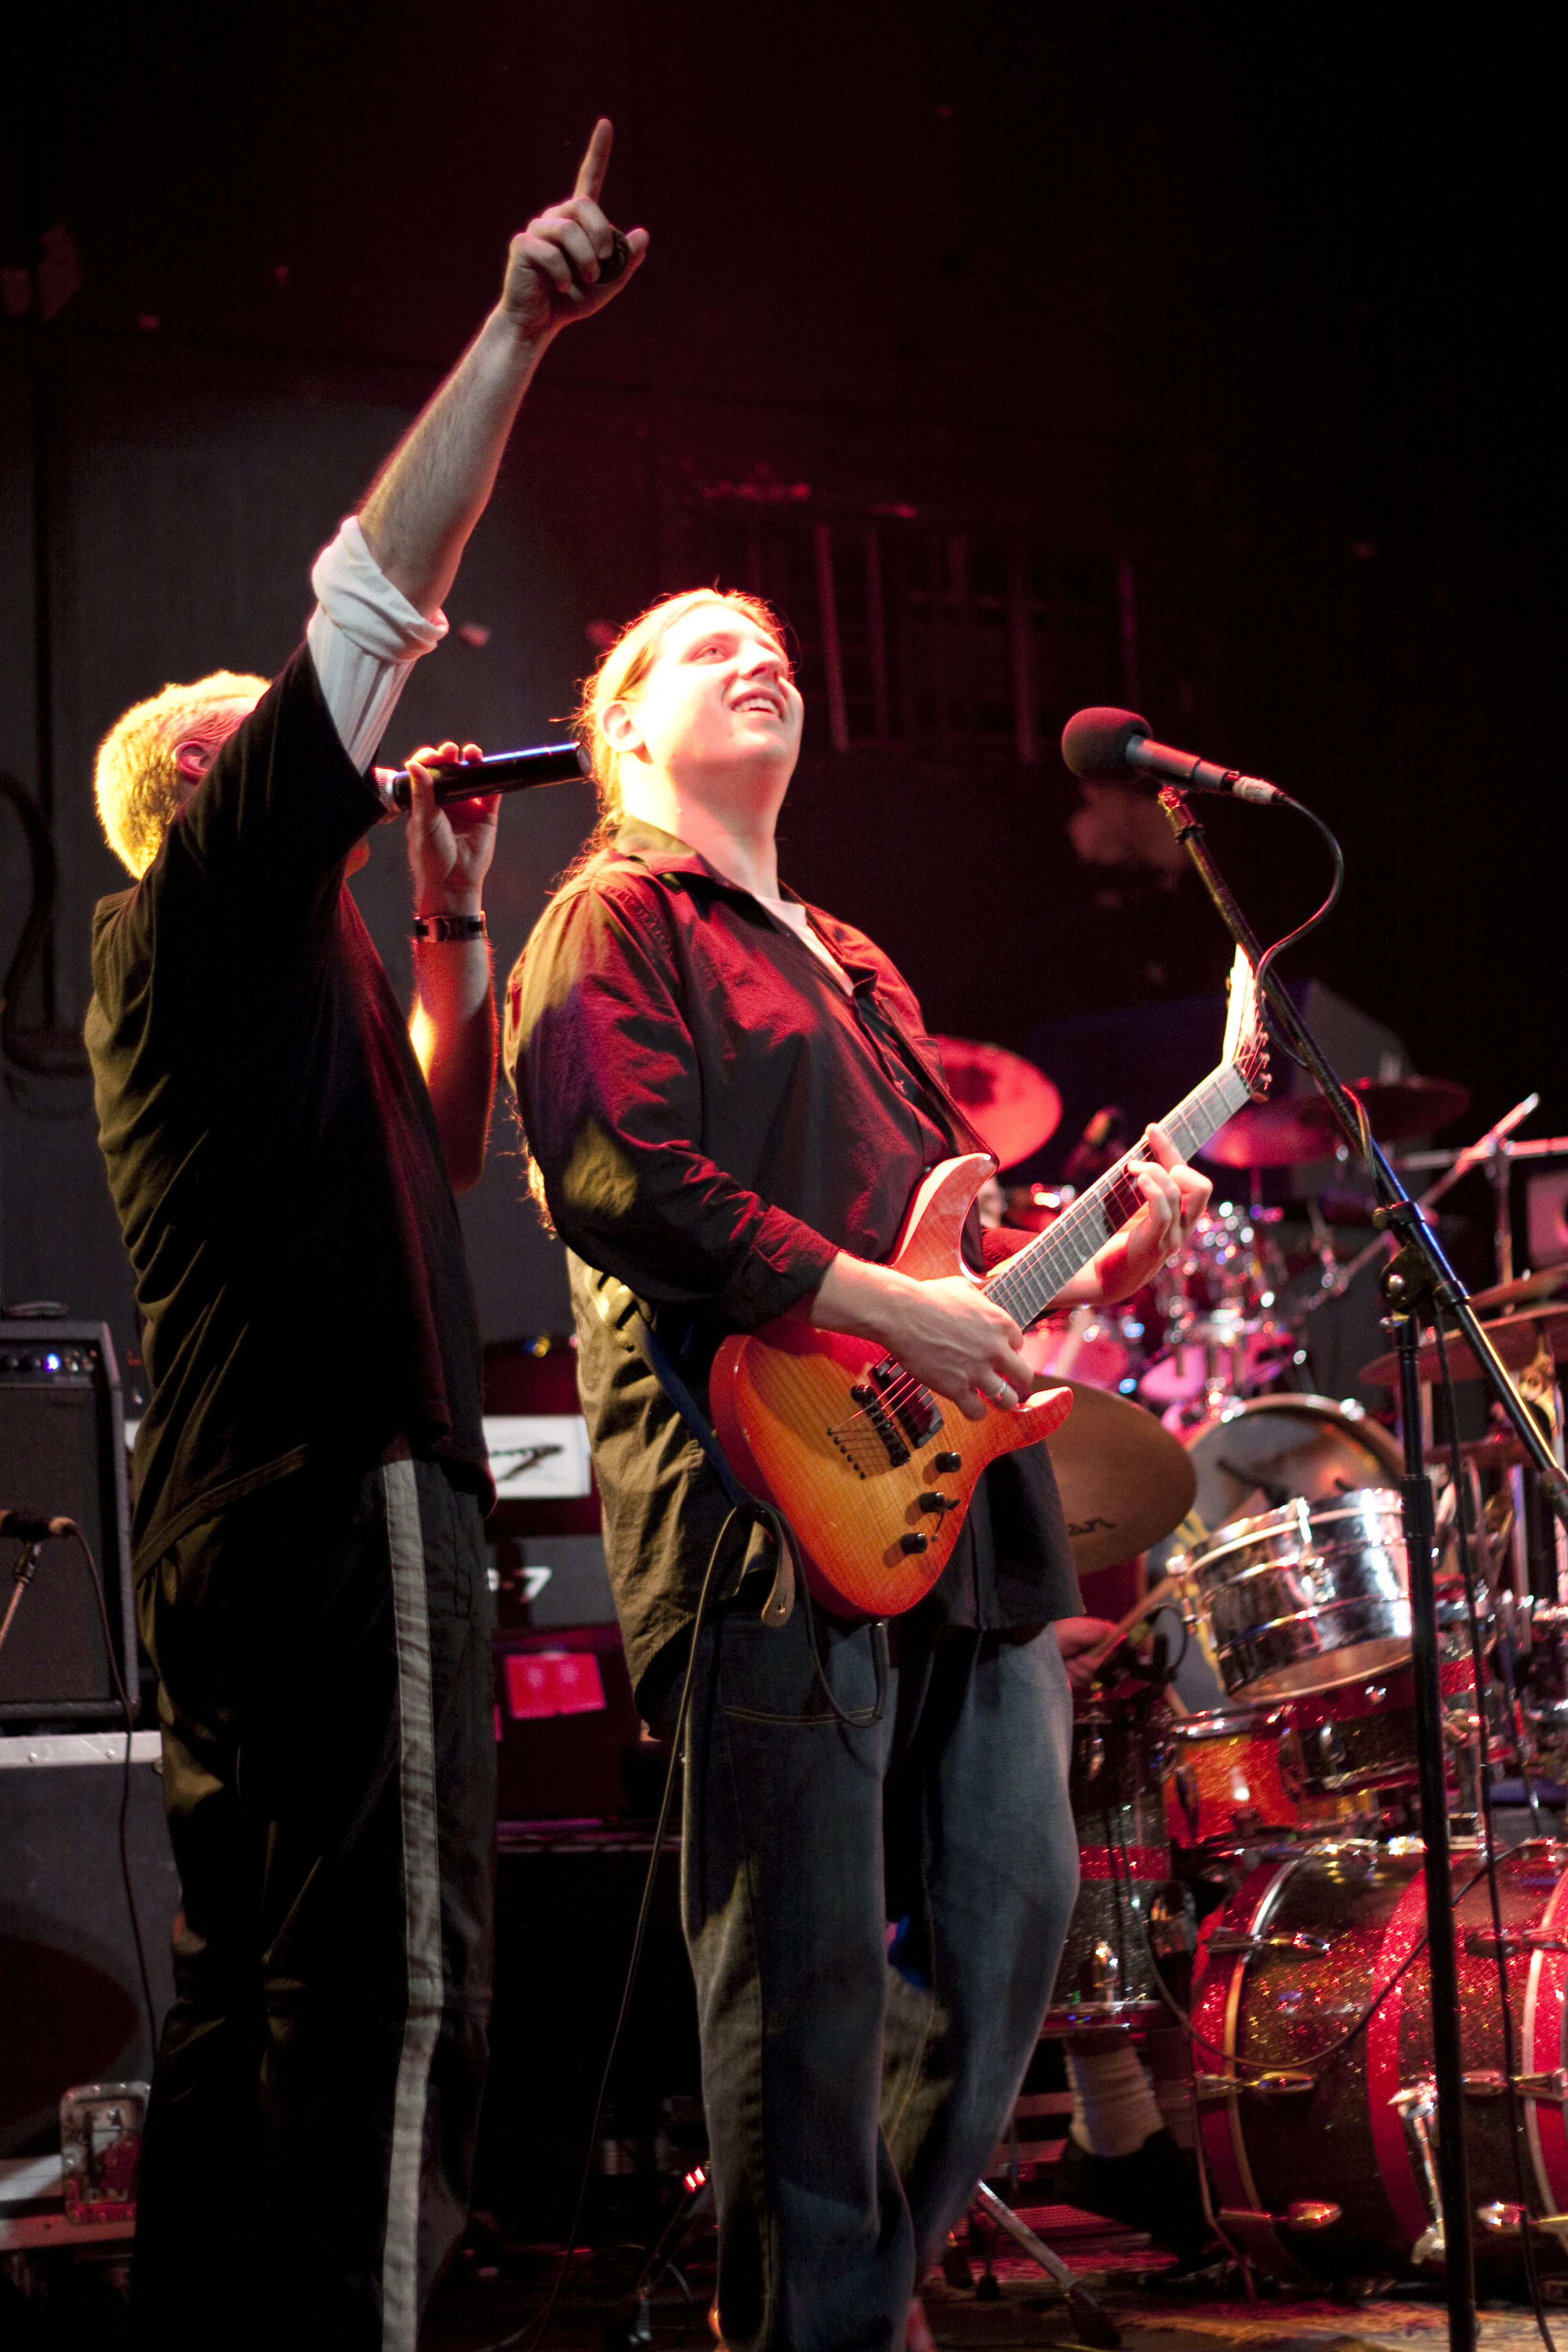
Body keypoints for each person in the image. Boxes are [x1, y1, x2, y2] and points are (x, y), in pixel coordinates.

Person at [85, 121, 646, 2352]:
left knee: (252, 1986)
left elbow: (444, 1143)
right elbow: (367, 604)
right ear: (210, 788)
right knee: (401, 1984)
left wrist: (445, 926)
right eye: (273, 748)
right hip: (336, 1485)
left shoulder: (248, 982)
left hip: (236, 1507)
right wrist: (514, 328)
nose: (328, 754)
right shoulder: (210, 895)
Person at [505, 588, 1211, 2349]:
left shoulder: (856, 960)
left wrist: (1091, 1262)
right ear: (623, 727)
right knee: (803, 1986)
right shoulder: (608, 920)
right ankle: (823, 2320)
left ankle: (844, 2306)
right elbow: (617, 1174)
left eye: (776, 646)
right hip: (761, 1500)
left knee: (1009, 1927)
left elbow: (947, 1268)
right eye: (706, 647)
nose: (764, 658)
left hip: (954, 1512)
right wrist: (880, 1301)